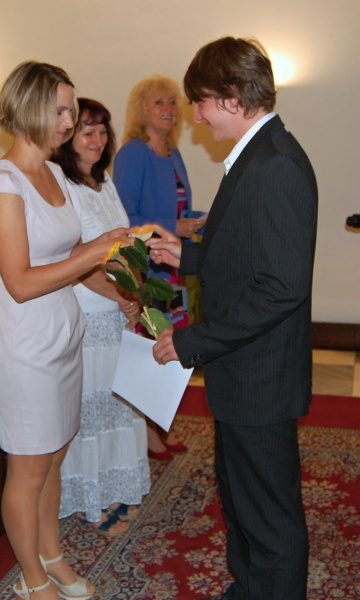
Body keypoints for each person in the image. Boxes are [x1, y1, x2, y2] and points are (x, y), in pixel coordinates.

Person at [150, 37, 317, 600]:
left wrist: (191, 341)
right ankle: (250, 587)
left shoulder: (275, 165)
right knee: (243, 500)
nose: (195, 115)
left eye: (200, 101)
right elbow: (249, 256)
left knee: (269, 517)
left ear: (232, 94)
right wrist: (187, 256)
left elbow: (280, 288)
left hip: (259, 377)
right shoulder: (256, 155)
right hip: (244, 373)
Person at [0, 62, 132, 600]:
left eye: (71, 111)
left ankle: (52, 555)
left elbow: (74, 260)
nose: (68, 122)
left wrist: (119, 294)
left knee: (54, 456)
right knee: (27, 466)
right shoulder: (1, 184)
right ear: (28, 108)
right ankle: (32, 579)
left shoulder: (54, 173)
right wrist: (96, 250)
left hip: (64, 334)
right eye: (61, 111)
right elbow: (20, 282)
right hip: (24, 344)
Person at [50, 98, 149, 536]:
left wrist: (134, 293)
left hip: (118, 310)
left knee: (118, 405)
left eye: (102, 131)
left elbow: (123, 244)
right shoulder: (62, 185)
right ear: (67, 136)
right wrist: (119, 295)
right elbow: (76, 257)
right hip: (88, 311)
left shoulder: (104, 180)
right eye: (86, 131)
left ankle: (116, 487)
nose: (96, 139)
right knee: (91, 411)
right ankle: (90, 497)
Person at [113, 75, 202, 459]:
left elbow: (180, 212)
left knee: (170, 348)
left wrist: (201, 221)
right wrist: (173, 225)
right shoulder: (133, 153)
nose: (168, 109)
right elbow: (124, 219)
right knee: (152, 350)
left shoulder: (173, 153)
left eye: (172, 102)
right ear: (142, 110)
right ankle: (149, 434)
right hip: (147, 272)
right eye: (159, 102)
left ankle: (160, 423)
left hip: (173, 270)